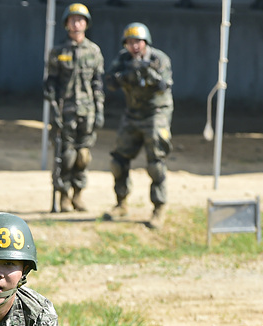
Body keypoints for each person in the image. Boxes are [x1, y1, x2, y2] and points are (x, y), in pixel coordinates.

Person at [104, 22, 174, 229]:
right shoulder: (123, 59)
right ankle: (121, 203)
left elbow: (164, 85)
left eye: (138, 42)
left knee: (155, 163)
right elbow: (110, 82)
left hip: (156, 113)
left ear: (146, 42)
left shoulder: (158, 59)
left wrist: (146, 71)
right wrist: (127, 73)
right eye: (130, 42)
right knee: (118, 160)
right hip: (132, 113)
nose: (134, 46)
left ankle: (158, 208)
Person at [43, 3, 104, 213]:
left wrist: (100, 110)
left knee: (83, 155)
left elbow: (98, 84)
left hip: (87, 113)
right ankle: (63, 196)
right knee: (66, 156)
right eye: (72, 20)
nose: (76, 24)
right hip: (64, 112)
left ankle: (78, 194)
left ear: (86, 24)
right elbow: (50, 81)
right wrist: (51, 100)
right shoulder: (58, 52)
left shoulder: (94, 51)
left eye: (80, 20)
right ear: (66, 24)